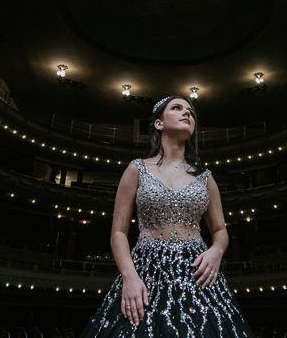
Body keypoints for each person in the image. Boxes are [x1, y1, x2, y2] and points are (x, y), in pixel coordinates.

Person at [78, 96, 254, 338]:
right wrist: (129, 276)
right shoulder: (136, 169)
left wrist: (216, 252)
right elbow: (118, 232)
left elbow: (220, 230)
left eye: (191, 112)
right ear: (159, 124)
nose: (187, 114)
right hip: (146, 268)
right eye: (177, 108)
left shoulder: (205, 176)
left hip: (196, 270)